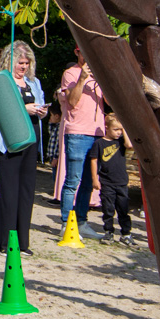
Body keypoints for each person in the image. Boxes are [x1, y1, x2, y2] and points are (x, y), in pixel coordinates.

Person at [0, 41, 46, 253]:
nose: (24, 67)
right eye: (20, 62)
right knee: (7, 193)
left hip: (30, 140)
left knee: (26, 192)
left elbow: (38, 104)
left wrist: (40, 111)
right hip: (7, 143)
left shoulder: (34, 83)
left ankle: (22, 242)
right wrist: (22, 108)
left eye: (27, 63)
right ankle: (4, 241)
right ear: (9, 61)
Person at [57, 47, 104, 240]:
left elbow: (109, 101)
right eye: (83, 51)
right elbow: (72, 102)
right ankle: (66, 224)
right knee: (72, 181)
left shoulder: (100, 74)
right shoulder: (70, 73)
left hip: (97, 132)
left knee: (87, 182)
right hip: (77, 132)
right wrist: (83, 79)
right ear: (76, 52)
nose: (87, 55)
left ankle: (82, 222)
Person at [89, 113, 134, 247]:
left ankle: (126, 234)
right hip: (107, 181)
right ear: (107, 127)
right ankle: (109, 232)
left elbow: (129, 145)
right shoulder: (99, 143)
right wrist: (94, 179)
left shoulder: (121, 142)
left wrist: (124, 129)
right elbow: (94, 160)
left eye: (120, 129)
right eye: (116, 129)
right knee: (108, 209)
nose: (118, 132)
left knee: (123, 209)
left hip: (121, 182)